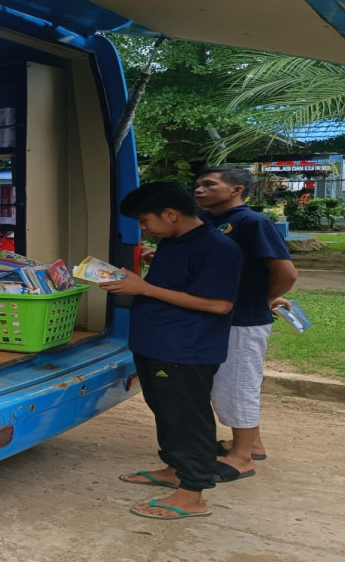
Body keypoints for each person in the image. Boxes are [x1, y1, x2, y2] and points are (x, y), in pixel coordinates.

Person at [102, 182, 243, 520]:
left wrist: (144, 287)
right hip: (155, 343)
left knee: (186, 417)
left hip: (185, 350)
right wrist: (134, 283)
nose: (143, 229)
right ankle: (175, 470)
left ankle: (193, 494)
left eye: (144, 220)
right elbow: (169, 287)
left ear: (170, 214)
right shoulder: (173, 241)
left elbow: (220, 305)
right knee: (165, 410)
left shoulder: (218, 248)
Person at [194, 167, 298, 480]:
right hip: (218, 317)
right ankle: (253, 444)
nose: (199, 189)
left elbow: (287, 273)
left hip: (242, 321)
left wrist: (264, 299)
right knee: (231, 383)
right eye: (198, 184)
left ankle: (241, 458)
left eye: (209, 184)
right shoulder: (209, 223)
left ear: (237, 189)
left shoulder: (254, 222)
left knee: (237, 384)